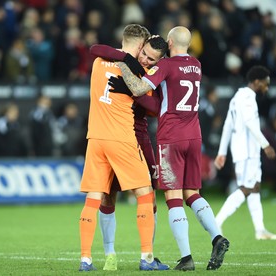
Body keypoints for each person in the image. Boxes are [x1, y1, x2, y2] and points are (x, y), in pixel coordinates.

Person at [111, 26, 229, 271]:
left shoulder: (165, 65)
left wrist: (123, 66)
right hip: (194, 135)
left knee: (173, 197)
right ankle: (217, 237)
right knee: (192, 193)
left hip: (171, 136)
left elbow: (140, 88)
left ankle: (186, 258)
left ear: (170, 42)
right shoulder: (196, 65)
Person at [78, 24, 169, 272]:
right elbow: (154, 107)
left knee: (94, 197)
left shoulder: (99, 61)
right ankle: (147, 258)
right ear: (140, 46)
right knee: (145, 195)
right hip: (122, 138)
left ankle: (85, 259)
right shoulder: (137, 71)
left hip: (95, 139)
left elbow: (96, 48)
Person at [213, 65, 276, 240]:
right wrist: (265, 144)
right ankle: (215, 223)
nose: (267, 88)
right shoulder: (247, 98)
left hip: (247, 151)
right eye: (265, 84)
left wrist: (222, 152)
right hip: (246, 151)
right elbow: (250, 123)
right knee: (246, 188)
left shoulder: (238, 96)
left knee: (255, 188)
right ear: (257, 82)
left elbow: (228, 125)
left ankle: (260, 230)